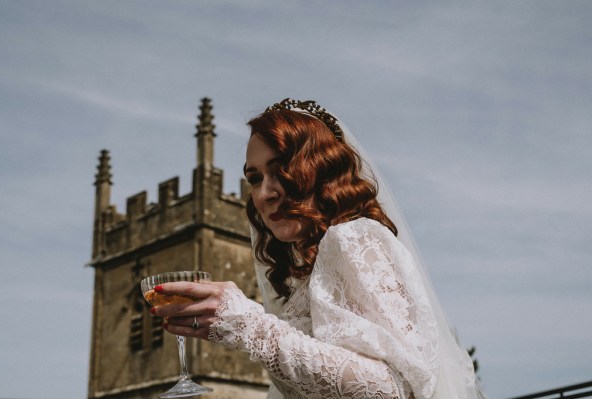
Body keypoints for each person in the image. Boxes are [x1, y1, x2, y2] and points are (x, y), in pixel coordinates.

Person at [151, 99, 486, 399]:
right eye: (254, 178)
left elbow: (396, 388)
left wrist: (248, 325)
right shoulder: (306, 273)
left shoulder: (352, 238)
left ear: (321, 170)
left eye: (281, 169)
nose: (265, 192)